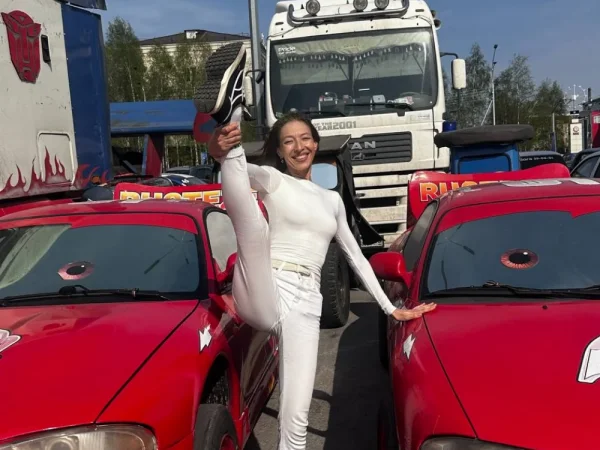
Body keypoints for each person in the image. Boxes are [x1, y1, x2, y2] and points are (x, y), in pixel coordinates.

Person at [195, 41, 437, 450]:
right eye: (288, 141)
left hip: (306, 302)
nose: (299, 147)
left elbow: (357, 258)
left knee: (296, 415)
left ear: (315, 143)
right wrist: (217, 148)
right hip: (266, 284)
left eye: (305, 138)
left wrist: (390, 308)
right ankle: (231, 110)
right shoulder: (274, 180)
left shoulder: (331, 201)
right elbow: (235, 172)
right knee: (251, 223)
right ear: (279, 151)